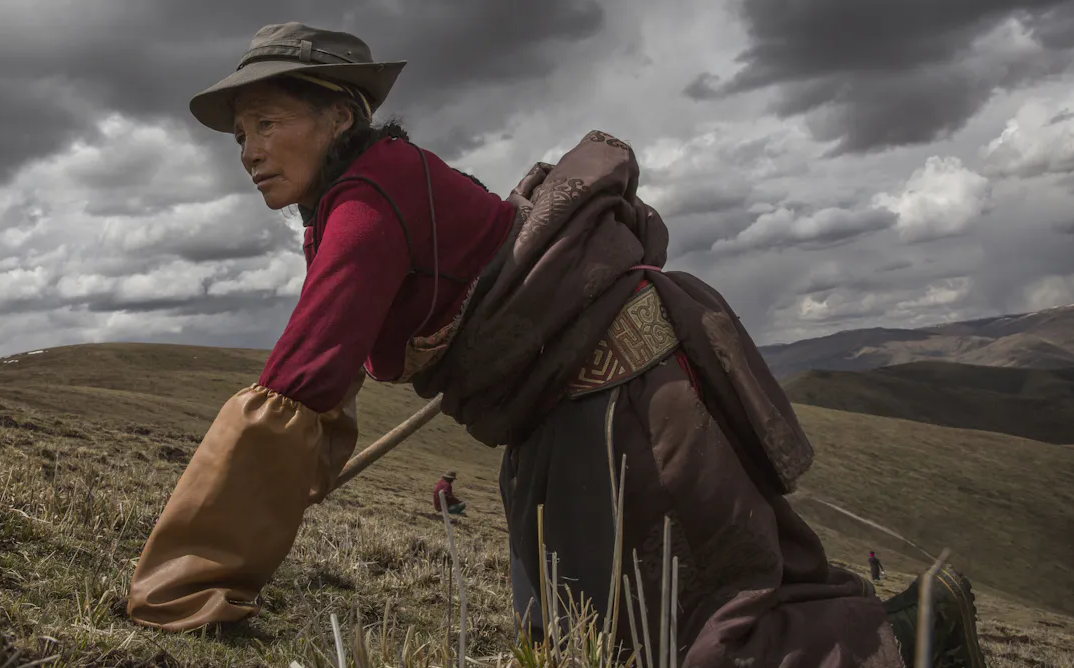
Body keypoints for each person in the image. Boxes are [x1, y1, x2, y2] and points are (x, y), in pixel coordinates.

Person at [125, 22, 988, 668]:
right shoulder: (368, 192)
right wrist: (288, 483)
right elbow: (327, 375)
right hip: (599, 408)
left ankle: (923, 635)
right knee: (637, 621)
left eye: (267, 122)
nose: (250, 151)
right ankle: (919, 629)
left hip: (626, 416)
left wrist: (187, 582)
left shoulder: (367, 200)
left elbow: (301, 378)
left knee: (677, 635)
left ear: (340, 114)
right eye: (241, 135)